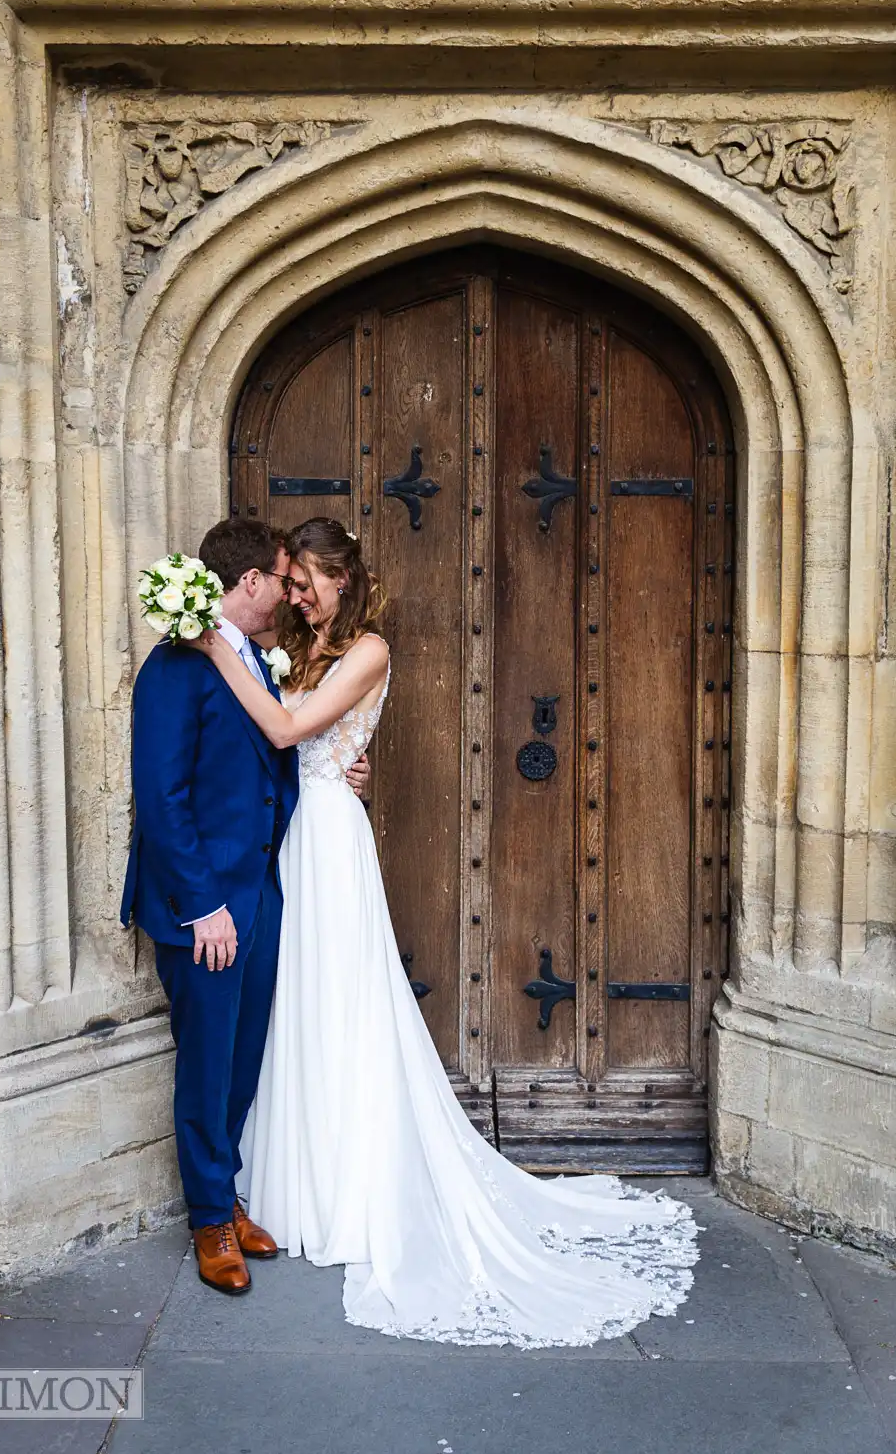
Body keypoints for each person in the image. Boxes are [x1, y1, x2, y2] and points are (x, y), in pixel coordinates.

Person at [186, 516, 699, 1347]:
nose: (293, 593)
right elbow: (292, 738)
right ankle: (288, 1183)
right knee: (298, 1009)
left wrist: (219, 652)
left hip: (329, 845)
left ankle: (351, 1186)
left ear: (340, 579)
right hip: (293, 836)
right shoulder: (296, 650)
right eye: (288, 582)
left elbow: (285, 730)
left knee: (342, 1004)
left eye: (307, 581)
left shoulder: (369, 651)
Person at [121, 519, 369, 1296]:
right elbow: (160, 800)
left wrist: (341, 778)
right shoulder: (175, 667)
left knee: (242, 1059)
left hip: (262, 892)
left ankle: (224, 1196)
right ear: (252, 582)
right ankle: (207, 1221)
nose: (291, 593)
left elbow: (277, 757)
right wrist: (202, 908)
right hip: (208, 910)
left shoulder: (261, 662)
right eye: (282, 578)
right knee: (205, 1062)